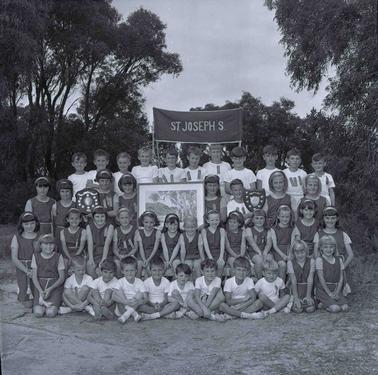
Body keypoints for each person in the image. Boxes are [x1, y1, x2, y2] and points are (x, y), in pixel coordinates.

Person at [31, 234, 65, 318]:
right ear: (40, 245)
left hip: (54, 286)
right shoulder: (35, 256)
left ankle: (56, 306)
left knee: (51, 313)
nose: (49, 246)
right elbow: (34, 277)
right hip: (40, 286)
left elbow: (61, 278)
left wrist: (50, 289)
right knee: (38, 313)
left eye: (51, 244)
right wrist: (40, 291)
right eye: (46, 244)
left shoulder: (58, 256)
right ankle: (41, 305)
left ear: (54, 245)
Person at [11, 212, 39, 307]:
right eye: (26, 224)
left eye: (32, 223)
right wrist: (27, 271)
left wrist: (34, 271)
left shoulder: (40, 237)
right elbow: (14, 258)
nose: (29, 226)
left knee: (37, 297)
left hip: (36, 268)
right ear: (21, 225)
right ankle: (22, 294)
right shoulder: (17, 237)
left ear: (36, 223)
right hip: (23, 268)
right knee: (25, 300)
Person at [315, 236, 349, 313]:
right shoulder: (319, 260)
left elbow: (341, 278)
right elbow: (321, 279)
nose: (329, 249)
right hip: (324, 289)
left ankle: (328, 303)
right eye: (325, 247)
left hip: (336, 288)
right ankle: (323, 304)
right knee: (336, 309)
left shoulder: (339, 260)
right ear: (321, 248)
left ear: (334, 248)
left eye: (331, 247)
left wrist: (337, 292)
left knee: (345, 308)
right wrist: (329, 293)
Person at [112, 257, 145, 324]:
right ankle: (134, 314)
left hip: (134, 305)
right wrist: (125, 301)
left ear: (136, 270)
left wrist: (136, 301)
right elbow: (113, 297)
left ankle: (125, 316)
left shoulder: (140, 282)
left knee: (140, 294)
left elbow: (145, 297)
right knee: (119, 291)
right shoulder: (120, 281)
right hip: (121, 308)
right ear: (122, 271)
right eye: (126, 271)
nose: (129, 273)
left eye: (131, 270)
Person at [287, 240, 315, 313]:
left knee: (310, 309)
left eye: (302, 252)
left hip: (308, 289)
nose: (300, 255)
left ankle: (310, 299)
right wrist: (296, 298)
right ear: (293, 253)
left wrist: (308, 296)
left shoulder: (311, 261)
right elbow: (293, 280)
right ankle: (294, 301)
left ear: (306, 251)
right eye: (297, 253)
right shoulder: (290, 262)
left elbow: (310, 279)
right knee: (298, 310)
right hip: (296, 290)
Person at [86, 206, 114, 278]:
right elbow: (90, 244)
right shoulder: (89, 227)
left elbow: (107, 245)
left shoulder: (110, 227)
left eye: (102, 216)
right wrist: (91, 258)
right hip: (94, 252)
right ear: (93, 217)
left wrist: (103, 260)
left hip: (106, 253)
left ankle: (103, 286)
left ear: (106, 217)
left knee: (103, 268)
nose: (100, 219)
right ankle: (95, 284)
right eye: (97, 216)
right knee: (90, 265)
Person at [269, 205, 294, 280]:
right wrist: (282, 255)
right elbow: (275, 246)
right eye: (282, 217)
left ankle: (289, 286)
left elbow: (292, 243)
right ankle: (281, 286)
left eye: (287, 217)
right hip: (278, 251)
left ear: (290, 217)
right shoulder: (274, 229)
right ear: (278, 217)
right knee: (282, 265)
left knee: (292, 264)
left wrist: (290, 254)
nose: (285, 219)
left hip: (289, 250)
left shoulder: (292, 228)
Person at [245, 209, 272, 279]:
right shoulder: (249, 230)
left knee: (270, 260)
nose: (259, 221)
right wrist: (259, 252)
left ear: (265, 219)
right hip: (253, 252)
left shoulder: (268, 230)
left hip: (265, 251)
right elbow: (252, 243)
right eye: (256, 218)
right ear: (252, 220)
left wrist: (265, 252)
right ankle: (260, 280)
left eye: (261, 218)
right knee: (259, 260)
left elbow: (269, 243)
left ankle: (269, 280)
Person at [134, 211, 162, 277]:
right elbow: (141, 247)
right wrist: (144, 260)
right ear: (142, 222)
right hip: (142, 254)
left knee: (149, 268)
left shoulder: (157, 232)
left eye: (151, 222)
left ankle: (151, 282)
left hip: (153, 255)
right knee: (139, 264)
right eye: (146, 222)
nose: (148, 225)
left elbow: (155, 248)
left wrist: (148, 260)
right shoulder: (139, 232)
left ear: (155, 222)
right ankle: (137, 282)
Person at [112, 208, 138, 277]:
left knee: (132, 263)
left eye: (126, 217)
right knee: (117, 263)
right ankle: (120, 282)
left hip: (131, 254)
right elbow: (114, 248)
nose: (124, 220)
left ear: (130, 218)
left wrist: (128, 255)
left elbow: (135, 248)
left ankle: (133, 282)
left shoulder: (135, 230)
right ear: (118, 219)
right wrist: (119, 256)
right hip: (120, 254)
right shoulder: (116, 230)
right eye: (122, 218)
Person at [201, 210, 226, 278]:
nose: (214, 222)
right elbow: (205, 245)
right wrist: (210, 257)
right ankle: (209, 281)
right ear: (207, 221)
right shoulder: (204, 231)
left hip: (219, 253)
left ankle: (218, 281)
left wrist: (221, 257)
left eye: (216, 220)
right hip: (208, 253)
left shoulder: (221, 230)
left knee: (220, 263)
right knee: (210, 265)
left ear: (219, 220)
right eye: (212, 220)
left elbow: (222, 245)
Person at [283, 148, 307, 216]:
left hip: (300, 198)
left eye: (297, 158)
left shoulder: (303, 173)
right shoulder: (283, 173)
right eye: (292, 158)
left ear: (300, 161)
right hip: (288, 198)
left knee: (299, 217)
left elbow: (305, 189)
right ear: (287, 160)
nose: (295, 161)